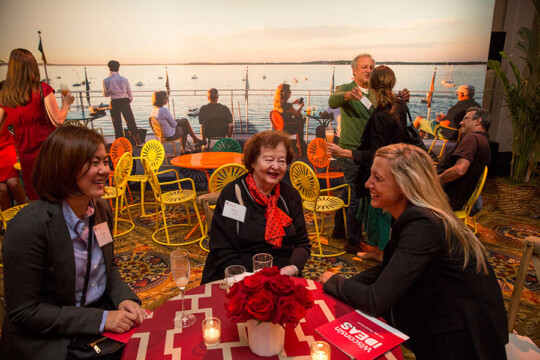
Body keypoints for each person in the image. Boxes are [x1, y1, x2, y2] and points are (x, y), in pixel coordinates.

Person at [318, 143, 508, 359]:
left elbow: (375, 301)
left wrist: (334, 281)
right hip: (453, 321)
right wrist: (349, 282)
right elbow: (391, 269)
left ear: (404, 185)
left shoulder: (423, 223)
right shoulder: (419, 215)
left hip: (465, 340)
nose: (367, 183)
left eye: (377, 178)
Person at [0, 126, 147, 359]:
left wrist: (124, 299)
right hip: (48, 339)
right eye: (93, 163)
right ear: (63, 166)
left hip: (94, 323)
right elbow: (24, 312)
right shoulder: (29, 226)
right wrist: (101, 320)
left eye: (105, 161)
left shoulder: (101, 209)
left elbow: (110, 268)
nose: (105, 170)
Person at [201, 130, 311, 284]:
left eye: (282, 160)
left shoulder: (290, 196)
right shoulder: (234, 195)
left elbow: (302, 243)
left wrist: (292, 268)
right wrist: (249, 279)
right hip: (238, 275)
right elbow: (222, 248)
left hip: (281, 276)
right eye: (268, 159)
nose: (276, 166)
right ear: (252, 162)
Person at [328, 53, 409, 253]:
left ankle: (339, 228)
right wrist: (347, 96)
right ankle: (353, 241)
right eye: (364, 67)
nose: (368, 70)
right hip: (351, 150)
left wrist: (401, 97)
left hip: (371, 152)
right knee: (356, 195)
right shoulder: (347, 88)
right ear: (354, 70)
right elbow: (332, 101)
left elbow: (387, 109)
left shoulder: (375, 92)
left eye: (371, 67)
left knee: (351, 189)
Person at [0, 48, 74, 200]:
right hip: (48, 148)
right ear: (33, 67)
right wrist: (66, 103)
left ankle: (40, 223)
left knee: (36, 194)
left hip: (24, 150)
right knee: (56, 191)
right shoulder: (42, 88)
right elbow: (58, 121)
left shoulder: (6, 96)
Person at [437, 107, 491, 211]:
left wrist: (435, 180)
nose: (461, 123)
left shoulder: (472, 138)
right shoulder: (484, 140)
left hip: (445, 199)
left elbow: (459, 170)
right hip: (459, 199)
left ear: (478, 121)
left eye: (466, 119)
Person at [413, 84, 481, 140]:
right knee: (424, 125)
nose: (457, 96)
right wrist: (445, 118)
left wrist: (439, 121)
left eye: (457, 94)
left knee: (419, 119)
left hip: (449, 134)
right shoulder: (477, 106)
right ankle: (418, 145)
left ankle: (407, 140)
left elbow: (447, 124)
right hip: (462, 136)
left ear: (461, 94)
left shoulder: (457, 107)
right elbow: (457, 119)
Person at [102, 60, 143, 146]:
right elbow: (130, 95)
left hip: (114, 102)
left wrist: (111, 92)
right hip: (124, 101)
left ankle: (121, 144)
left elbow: (105, 94)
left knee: (117, 124)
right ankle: (138, 142)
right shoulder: (124, 79)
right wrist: (127, 101)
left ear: (109, 68)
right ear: (118, 68)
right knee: (131, 121)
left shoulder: (106, 80)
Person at [272, 83, 308, 154]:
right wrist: (301, 106)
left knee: (299, 119)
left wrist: (293, 103)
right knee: (301, 119)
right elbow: (297, 114)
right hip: (287, 128)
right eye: (290, 91)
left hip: (279, 128)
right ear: (286, 94)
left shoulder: (277, 103)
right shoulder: (287, 106)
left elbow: (285, 109)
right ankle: (301, 145)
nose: (291, 93)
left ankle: (296, 144)